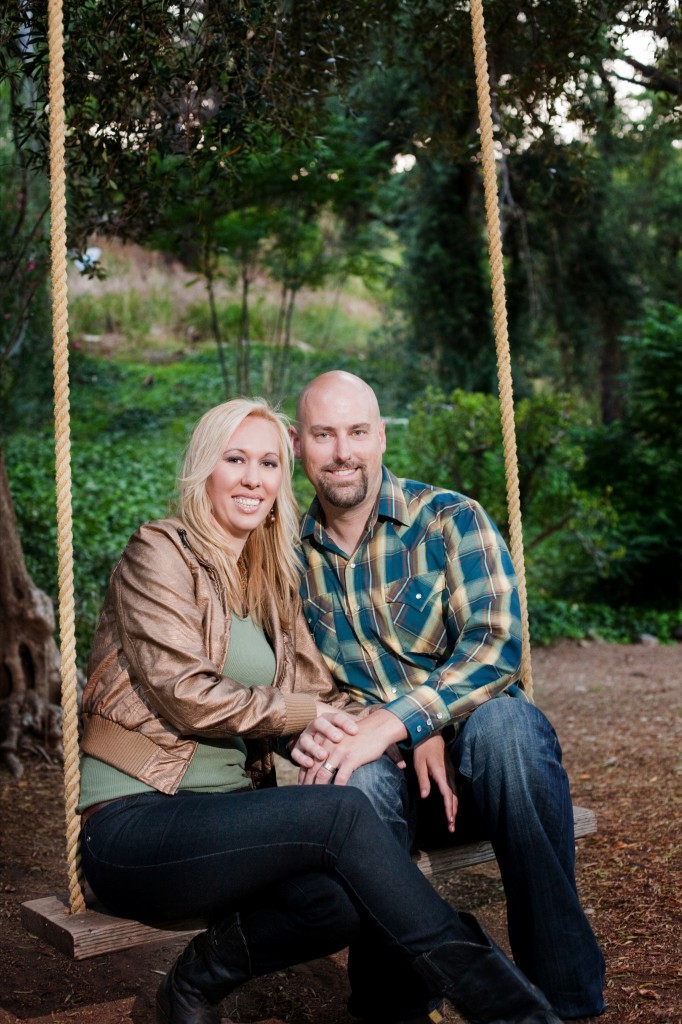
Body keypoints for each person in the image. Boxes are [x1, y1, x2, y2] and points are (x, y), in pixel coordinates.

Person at [77, 396, 563, 1024]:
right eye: (236, 459)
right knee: (341, 813)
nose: (253, 478)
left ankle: (195, 983)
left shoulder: (270, 580)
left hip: (227, 820)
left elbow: (323, 694)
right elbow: (185, 689)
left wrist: (411, 729)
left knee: (344, 899)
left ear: (285, 477)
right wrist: (302, 718)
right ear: (205, 468)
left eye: (269, 463)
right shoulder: (158, 554)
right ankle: (511, 1009)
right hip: (137, 819)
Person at [291, 371, 607, 1024]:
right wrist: (394, 733)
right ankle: (393, 1005)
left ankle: (567, 1002)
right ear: (300, 446)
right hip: (384, 775)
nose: (342, 451)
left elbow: (496, 648)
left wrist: (405, 720)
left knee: (507, 729)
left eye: (356, 432)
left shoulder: (449, 519)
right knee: (356, 784)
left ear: (381, 437)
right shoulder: (289, 558)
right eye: (324, 435)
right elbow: (302, 686)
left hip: (483, 773)